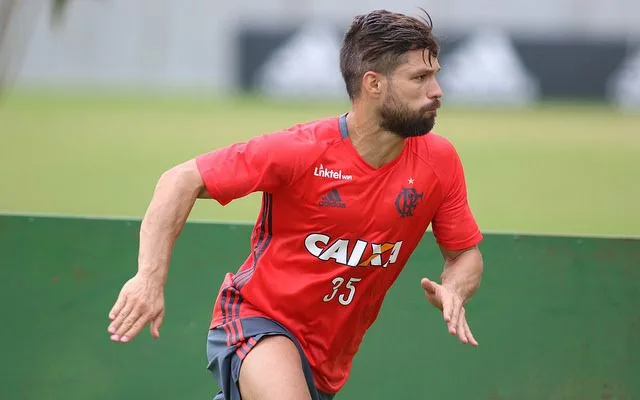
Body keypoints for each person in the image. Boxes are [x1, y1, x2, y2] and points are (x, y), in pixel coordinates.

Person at [107, 8, 484, 400]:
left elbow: (463, 256)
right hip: (257, 321)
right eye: (420, 78)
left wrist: (455, 289)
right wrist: (149, 278)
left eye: (435, 74)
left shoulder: (439, 162)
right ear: (373, 84)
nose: (437, 90)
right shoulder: (301, 150)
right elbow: (179, 180)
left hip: (328, 361)